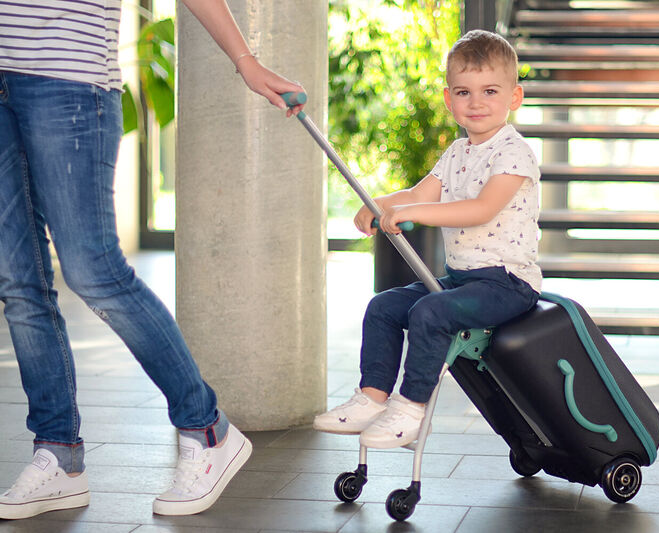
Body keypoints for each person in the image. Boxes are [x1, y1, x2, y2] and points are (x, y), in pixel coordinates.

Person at [0, 0, 304, 520]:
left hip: (68, 80)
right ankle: (60, 455)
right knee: (17, 281)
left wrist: (245, 60)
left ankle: (207, 429)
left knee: (95, 271)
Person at [313, 30, 541, 448]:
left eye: (490, 90)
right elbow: (419, 195)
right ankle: (372, 397)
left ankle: (411, 410)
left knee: (431, 313)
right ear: (448, 97)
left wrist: (411, 213)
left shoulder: (514, 153)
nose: (476, 102)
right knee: (383, 306)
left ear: (514, 97)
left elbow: (480, 209)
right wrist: (379, 203)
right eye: (463, 92)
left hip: (507, 284)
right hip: (463, 279)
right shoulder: (457, 152)